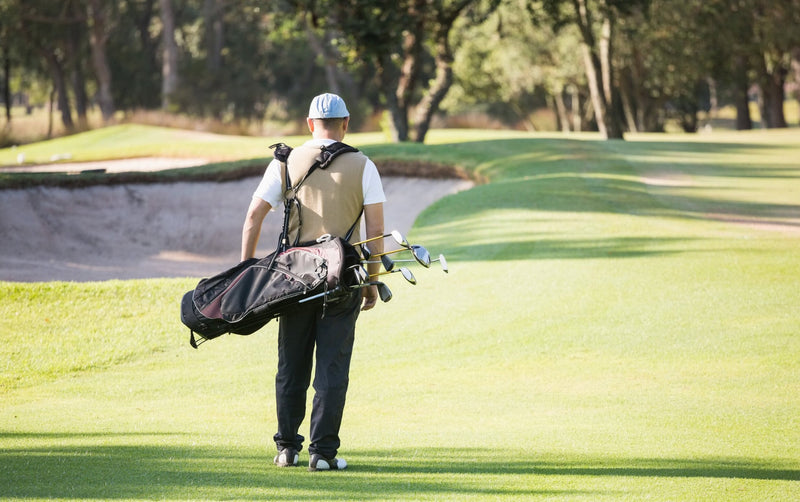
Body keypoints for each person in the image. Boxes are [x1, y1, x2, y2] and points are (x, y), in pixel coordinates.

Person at [240, 93, 386, 471]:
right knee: (332, 369)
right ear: (346, 123)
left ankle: (287, 449)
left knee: (291, 365)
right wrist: (371, 282)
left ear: (309, 125)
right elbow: (376, 233)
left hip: (293, 280)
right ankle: (322, 454)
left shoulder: (285, 162)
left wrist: (248, 275)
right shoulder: (364, 165)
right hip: (344, 280)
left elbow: (253, 217)